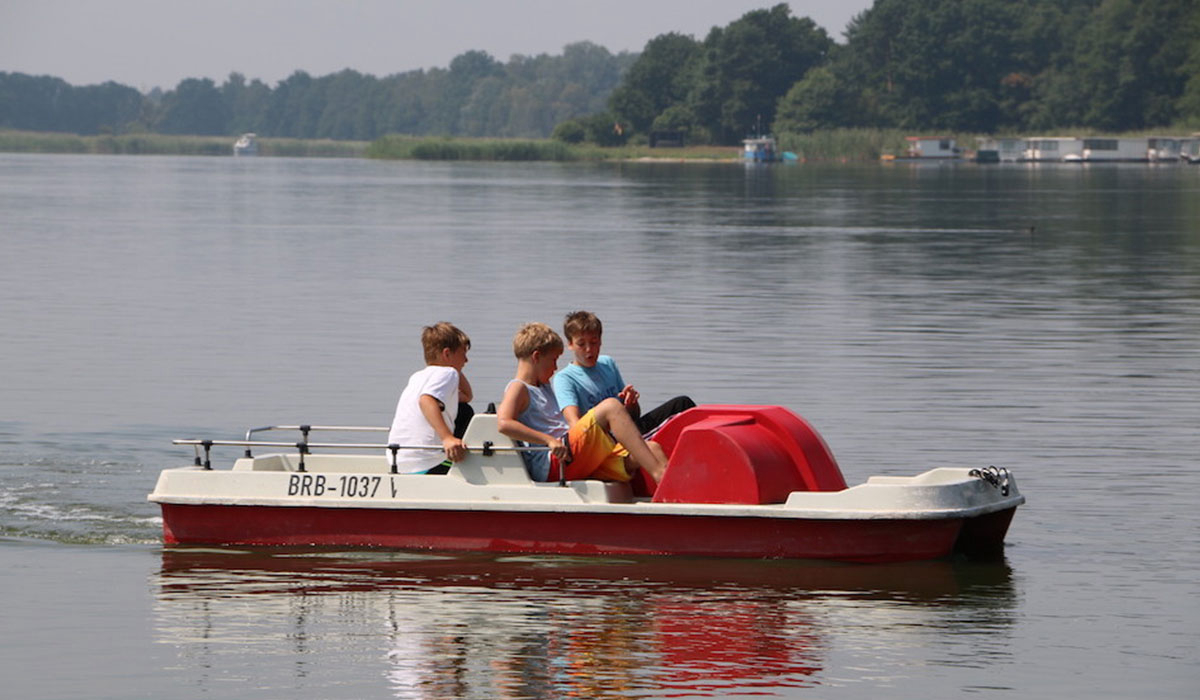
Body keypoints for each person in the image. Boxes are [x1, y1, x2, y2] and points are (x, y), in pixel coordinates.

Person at [496, 322, 668, 483]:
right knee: (611, 407)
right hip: (554, 462)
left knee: (652, 449)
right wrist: (548, 440)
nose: (556, 368)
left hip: (573, 456)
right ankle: (659, 475)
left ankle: (674, 498)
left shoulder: (545, 386)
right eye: (553, 360)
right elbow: (504, 424)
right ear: (536, 357)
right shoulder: (518, 388)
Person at [552, 310, 695, 436]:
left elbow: (633, 416)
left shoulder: (608, 363)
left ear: (600, 341)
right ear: (570, 344)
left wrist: (631, 403)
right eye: (581, 344)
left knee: (682, 404)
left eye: (594, 342)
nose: (589, 349)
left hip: (628, 429)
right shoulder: (564, 379)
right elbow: (575, 425)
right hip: (606, 442)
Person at [386, 322, 474, 475]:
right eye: (463, 354)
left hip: (399, 461)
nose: (466, 360)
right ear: (447, 354)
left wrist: (456, 367)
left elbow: (466, 396)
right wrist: (447, 438)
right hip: (427, 462)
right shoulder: (448, 373)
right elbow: (426, 400)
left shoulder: (418, 377)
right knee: (467, 413)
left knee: (464, 409)